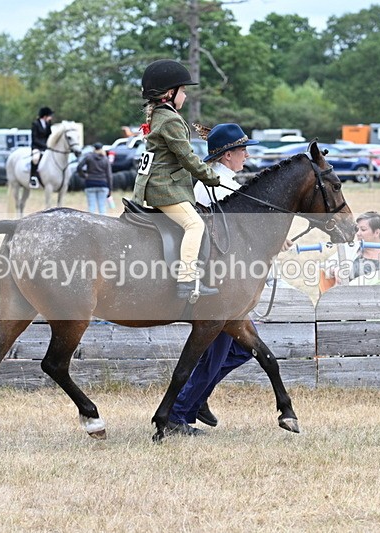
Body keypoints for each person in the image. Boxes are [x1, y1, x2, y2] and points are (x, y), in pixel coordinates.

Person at [168, 123, 261, 436]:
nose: (247, 155)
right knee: (222, 353)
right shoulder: (218, 185)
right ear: (227, 155)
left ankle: (195, 398)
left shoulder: (223, 181)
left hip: (223, 280)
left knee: (240, 350)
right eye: (242, 151)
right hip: (219, 283)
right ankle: (181, 410)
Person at [132, 59, 220, 300]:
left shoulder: (160, 115)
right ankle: (187, 281)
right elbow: (187, 157)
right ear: (169, 93)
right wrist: (211, 177)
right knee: (195, 225)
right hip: (164, 188)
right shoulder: (170, 120)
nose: (186, 95)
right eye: (183, 90)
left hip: (157, 184)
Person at [320, 211, 380, 290]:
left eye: (363, 230)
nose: (358, 233)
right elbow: (324, 267)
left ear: (377, 232)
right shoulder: (349, 250)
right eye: (357, 229)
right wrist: (335, 269)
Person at [77, 142, 113, 214]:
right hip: (103, 184)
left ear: (94, 148)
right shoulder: (105, 159)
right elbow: (109, 175)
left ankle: (90, 221)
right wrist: (110, 189)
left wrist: (84, 176)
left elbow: (79, 167)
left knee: (91, 206)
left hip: (90, 183)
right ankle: (103, 221)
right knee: (102, 206)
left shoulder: (89, 157)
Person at [30, 106, 54, 188]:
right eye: (50, 116)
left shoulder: (47, 124)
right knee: (35, 158)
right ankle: (33, 177)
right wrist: (45, 145)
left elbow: (49, 135)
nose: (51, 118)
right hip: (36, 146)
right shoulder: (35, 124)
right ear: (45, 116)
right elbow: (35, 139)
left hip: (46, 147)